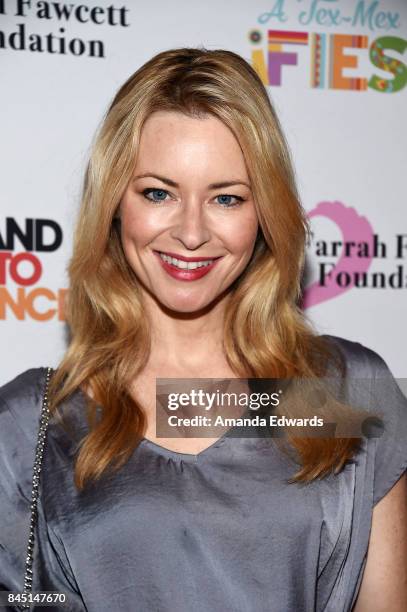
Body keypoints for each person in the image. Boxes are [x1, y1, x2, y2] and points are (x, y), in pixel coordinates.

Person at [0, 46, 406, 612]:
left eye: (226, 198)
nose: (192, 232)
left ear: (264, 213)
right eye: (158, 193)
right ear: (115, 203)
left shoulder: (342, 391)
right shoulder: (29, 424)